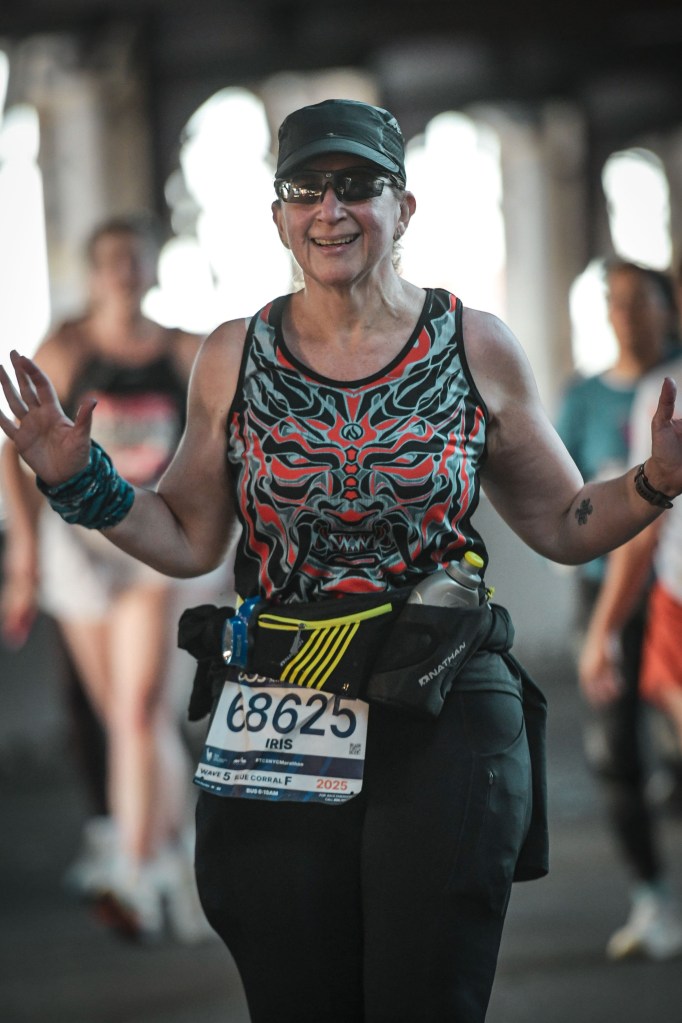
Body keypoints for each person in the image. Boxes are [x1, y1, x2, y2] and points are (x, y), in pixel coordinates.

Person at [2, 99, 682, 1022]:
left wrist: (655, 480)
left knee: (423, 992)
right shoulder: (234, 355)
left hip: (440, 701)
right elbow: (189, 535)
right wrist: (81, 481)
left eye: (358, 185)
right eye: (305, 189)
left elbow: (564, 522)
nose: (331, 209)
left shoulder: (472, 343)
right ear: (278, 216)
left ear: (404, 207)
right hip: (286, 706)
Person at [0, 214, 217, 942]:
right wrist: (24, 554)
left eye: (136, 257)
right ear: (93, 273)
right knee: (133, 718)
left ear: (153, 268)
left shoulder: (184, 350)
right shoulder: (68, 350)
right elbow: (16, 450)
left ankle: (134, 867)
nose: (125, 270)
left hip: (151, 538)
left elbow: (224, 437)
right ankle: (180, 853)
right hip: (79, 548)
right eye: (112, 259)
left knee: (135, 710)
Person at [556, 259, 682, 960]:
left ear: (668, 307)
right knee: (616, 747)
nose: (628, 314)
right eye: (617, 301)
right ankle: (651, 895)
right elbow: (559, 501)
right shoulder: (589, 400)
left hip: (665, 590)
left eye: (642, 300)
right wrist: (602, 626)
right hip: (614, 584)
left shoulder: (668, 389)